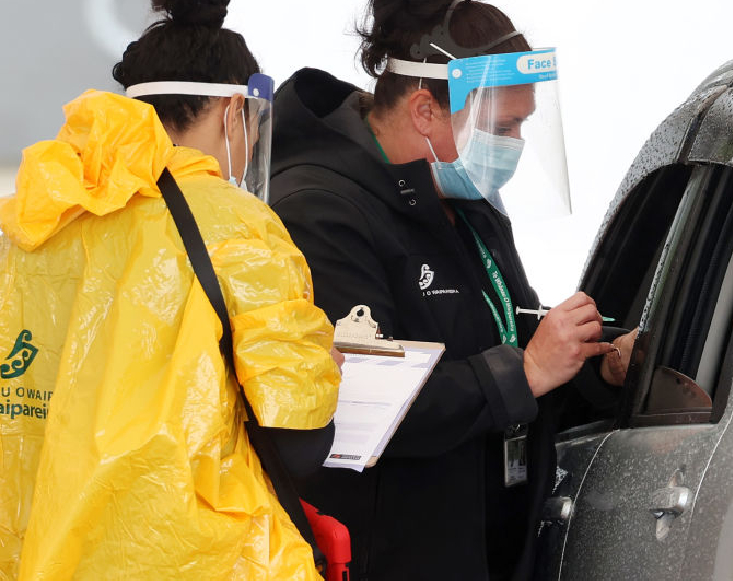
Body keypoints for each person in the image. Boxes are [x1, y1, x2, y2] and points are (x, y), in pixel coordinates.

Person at [268, 0, 635, 578]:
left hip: (485, 547)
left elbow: (505, 327)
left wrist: (597, 360)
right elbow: (362, 405)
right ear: (423, 110)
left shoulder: (462, 196)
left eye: (524, 126)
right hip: (387, 557)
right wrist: (527, 372)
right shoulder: (320, 212)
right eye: (503, 127)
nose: (514, 145)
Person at [0, 0, 342, 578]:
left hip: (42, 554)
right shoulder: (240, 226)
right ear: (236, 110)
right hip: (201, 558)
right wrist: (321, 371)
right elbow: (297, 441)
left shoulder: (36, 216)